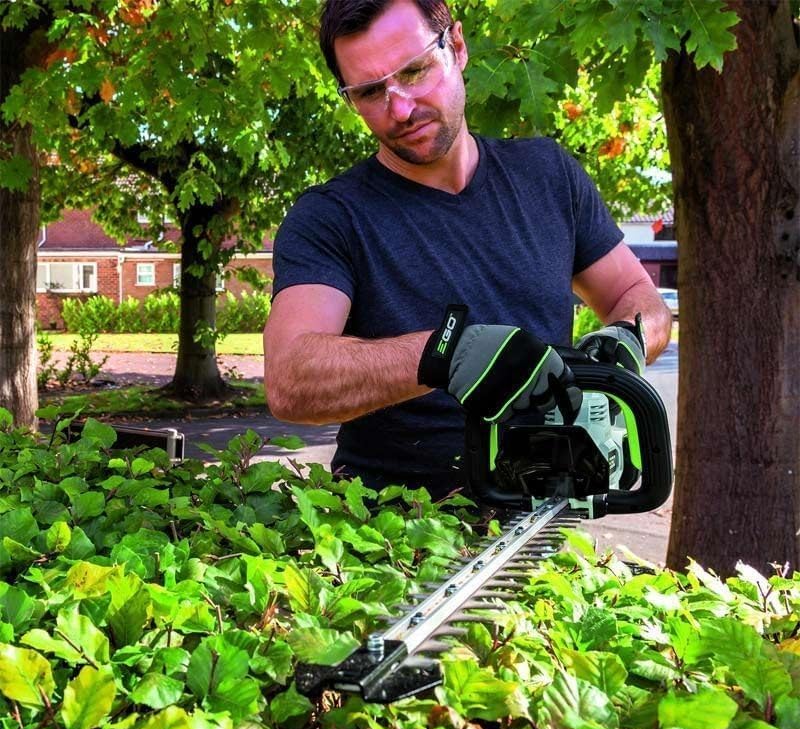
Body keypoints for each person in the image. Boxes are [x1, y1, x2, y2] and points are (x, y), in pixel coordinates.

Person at [263, 0, 672, 499]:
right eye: (371, 91)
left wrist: (629, 338)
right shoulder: (330, 217)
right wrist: (444, 354)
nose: (401, 108)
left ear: (456, 46)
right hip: (389, 531)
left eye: (414, 71)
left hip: (544, 513)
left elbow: (635, 293)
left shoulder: (549, 175)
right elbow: (291, 378)